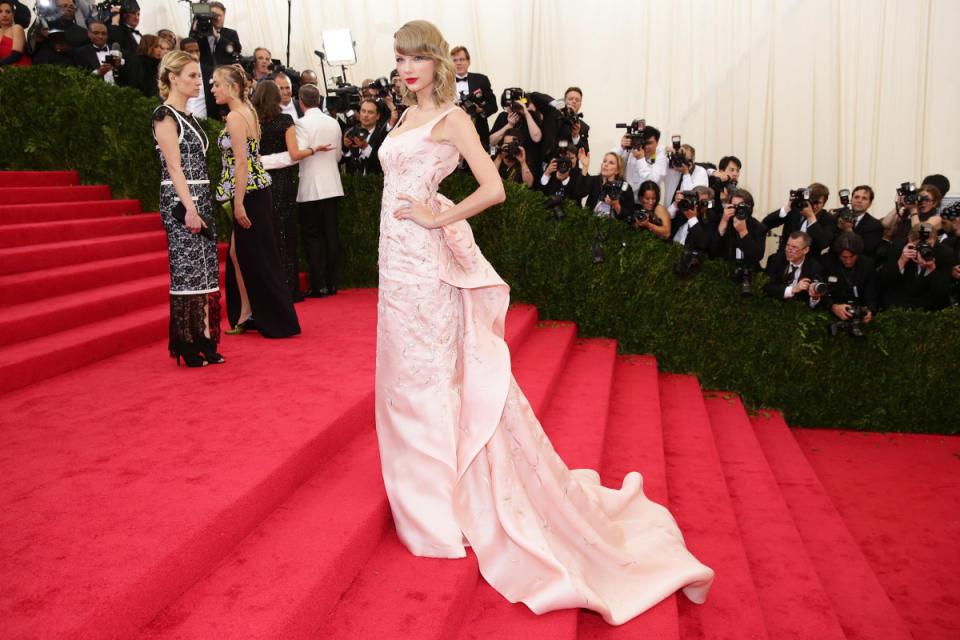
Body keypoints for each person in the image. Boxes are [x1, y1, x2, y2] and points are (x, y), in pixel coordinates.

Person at [381, 20, 713, 626]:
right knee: (405, 373)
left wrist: (440, 217)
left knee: (431, 373)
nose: (406, 68)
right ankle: (423, 496)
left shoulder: (452, 118)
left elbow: (493, 189)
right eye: (399, 58)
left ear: (436, 63)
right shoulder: (402, 117)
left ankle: (438, 508)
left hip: (425, 259)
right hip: (393, 260)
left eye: (416, 59)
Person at [211, 64, 300, 338]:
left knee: (260, 257)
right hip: (255, 191)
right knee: (240, 255)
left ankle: (277, 320)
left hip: (248, 193)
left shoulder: (236, 117)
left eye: (217, 84)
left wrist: (238, 203)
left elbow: (242, 163)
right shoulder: (247, 111)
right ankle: (247, 313)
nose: (212, 89)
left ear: (232, 87)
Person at [151, 50, 222, 367]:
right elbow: (175, 168)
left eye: (198, 75)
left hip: (200, 196)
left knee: (206, 269)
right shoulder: (164, 116)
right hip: (181, 200)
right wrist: (189, 209)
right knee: (186, 272)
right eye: (192, 76)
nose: (199, 82)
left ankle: (205, 338)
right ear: (172, 78)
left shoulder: (189, 118)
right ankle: (186, 343)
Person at [251, 79, 314, 303]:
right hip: (282, 182)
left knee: (265, 235)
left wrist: (261, 162)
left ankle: (268, 290)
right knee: (285, 234)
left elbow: (251, 157)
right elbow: (293, 155)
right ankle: (288, 289)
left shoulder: (252, 121)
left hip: (259, 182)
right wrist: (313, 149)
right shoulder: (285, 120)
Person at [294, 83, 343, 298]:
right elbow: (339, 156)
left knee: (312, 237)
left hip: (310, 187)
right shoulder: (333, 123)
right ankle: (332, 284)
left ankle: (319, 285)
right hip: (332, 184)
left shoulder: (300, 124)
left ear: (300, 102)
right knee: (331, 234)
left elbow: (299, 153)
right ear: (320, 100)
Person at [450, 45, 496, 150]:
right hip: (452, 133)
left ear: (468, 61)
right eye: (455, 60)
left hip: (478, 132)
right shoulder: (444, 82)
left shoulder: (481, 79)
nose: (458, 63)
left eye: (462, 59)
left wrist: (480, 110)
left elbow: (493, 106)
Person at [763, 231, 823, 306]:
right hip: (774, 305)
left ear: (806, 250)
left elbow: (815, 303)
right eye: (787, 246)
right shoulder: (775, 260)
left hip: (800, 309)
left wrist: (815, 297)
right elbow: (766, 287)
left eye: (794, 247)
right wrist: (792, 290)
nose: (789, 251)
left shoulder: (814, 267)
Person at [577, 150, 636, 222]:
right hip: (592, 225)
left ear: (617, 170)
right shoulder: (594, 180)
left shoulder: (624, 187)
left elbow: (630, 214)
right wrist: (585, 167)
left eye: (611, 163)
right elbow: (579, 192)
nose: (606, 164)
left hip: (614, 228)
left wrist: (616, 206)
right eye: (604, 161)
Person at [0, 0, 30, 68]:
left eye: (8, 12)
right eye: (0, 12)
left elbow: (16, 55)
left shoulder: (17, 28)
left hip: (20, 70)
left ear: (13, 14)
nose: (4, 15)